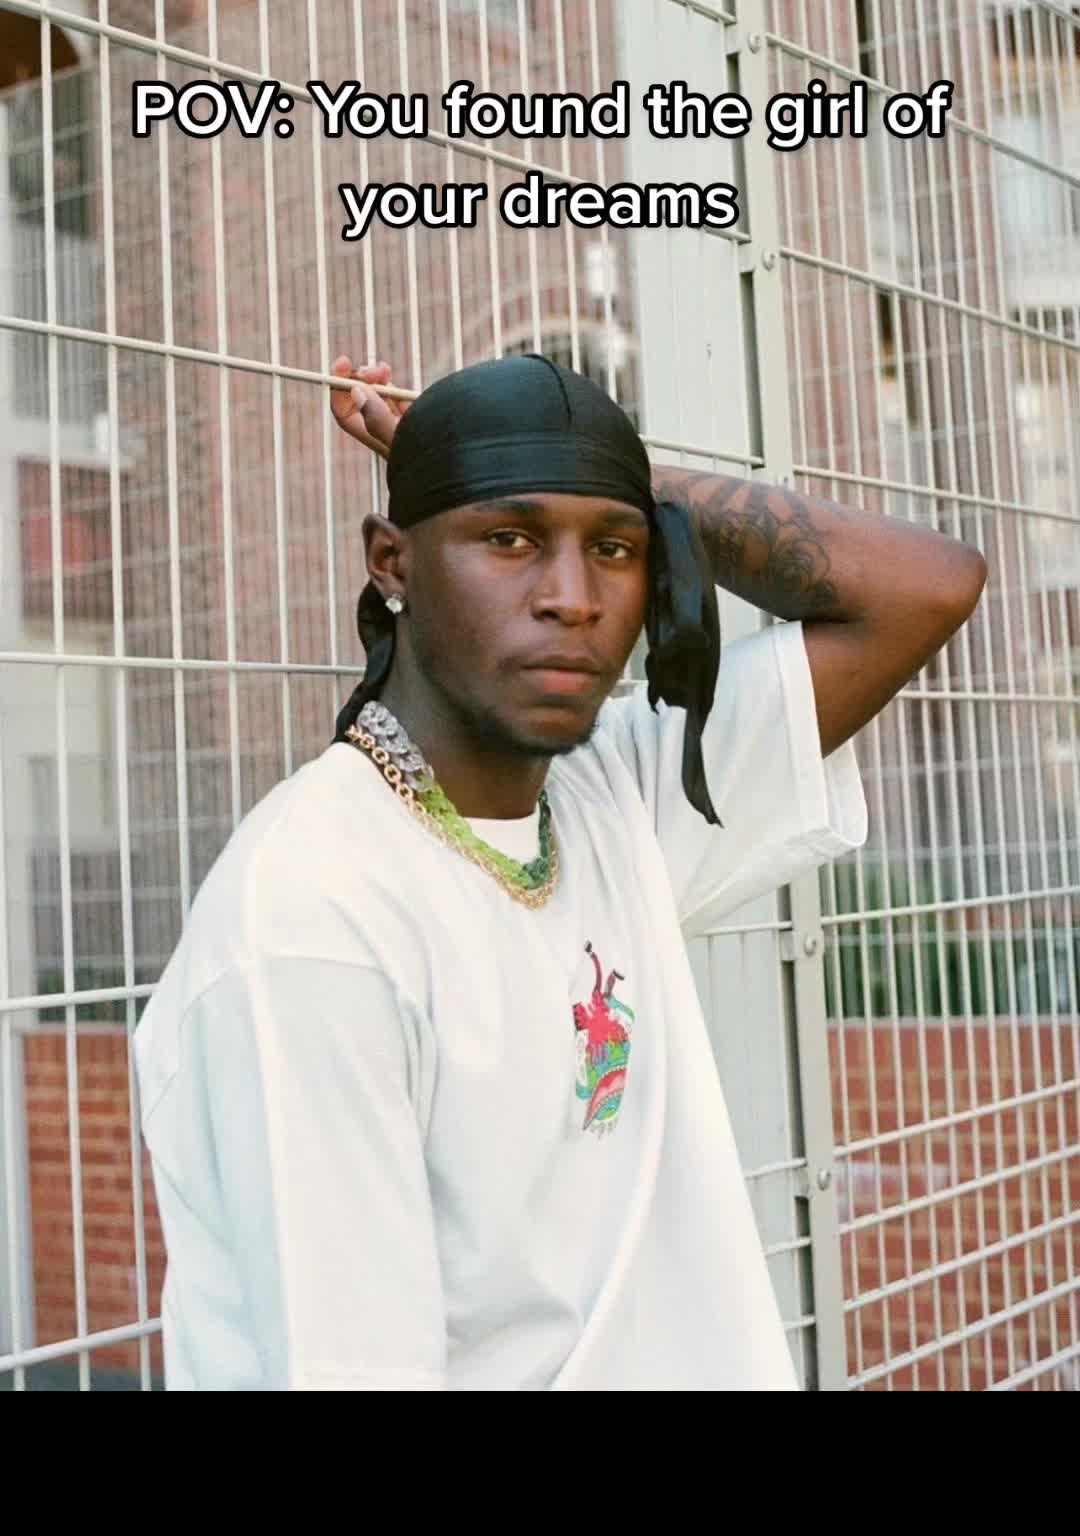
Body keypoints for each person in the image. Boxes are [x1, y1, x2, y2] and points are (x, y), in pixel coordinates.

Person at [133, 350, 986, 1391]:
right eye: (510, 539)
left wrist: (590, 464)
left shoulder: (611, 799)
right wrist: (572, 477)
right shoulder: (313, 923)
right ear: (392, 563)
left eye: (615, 549)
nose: (573, 599)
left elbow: (927, 588)